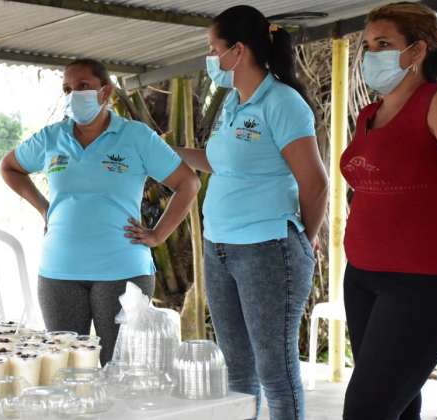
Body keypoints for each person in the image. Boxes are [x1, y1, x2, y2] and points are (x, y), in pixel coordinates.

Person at [341, 3, 437, 419]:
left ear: (417, 50)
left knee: (365, 409)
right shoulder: (368, 114)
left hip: (422, 285)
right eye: (368, 45)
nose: (372, 54)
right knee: (399, 405)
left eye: (384, 44)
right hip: (362, 278)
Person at [173, 5, 328, 420]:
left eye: (214, 48)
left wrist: (302, 237)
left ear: (237, 51)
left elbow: (315, 183)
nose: (211, 59)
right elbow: (221, 161)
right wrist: (168, 152)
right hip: (219, 247)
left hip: (267, 248)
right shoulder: (232, 102)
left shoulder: (282, 102)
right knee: (238, 370)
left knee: (274, 371)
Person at [0, 58, 200, 365]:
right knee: (66, 368)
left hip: (122, 270)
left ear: (105, 92)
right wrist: (44, 209)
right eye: (67, 89)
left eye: (83, 87)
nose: (73, 95)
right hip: (59, 272)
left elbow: (187, 182)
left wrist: (159, 234)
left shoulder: (136, 136)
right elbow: (10, 167)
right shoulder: (51, 137)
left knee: (119, 368)